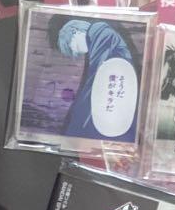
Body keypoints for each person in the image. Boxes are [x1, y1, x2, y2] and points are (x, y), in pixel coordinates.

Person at [47, 15, 138, 143]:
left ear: (75, 31)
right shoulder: (96, 37)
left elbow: (95, 76)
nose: (77, 52)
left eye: (73, 47)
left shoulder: (99, 32)